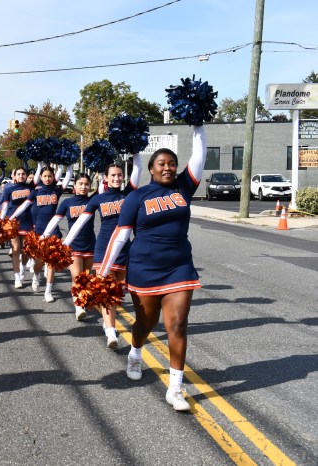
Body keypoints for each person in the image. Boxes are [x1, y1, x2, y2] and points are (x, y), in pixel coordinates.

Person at [100, 125, 207, 412]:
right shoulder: (137, 197)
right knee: (145, 323)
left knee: (177, 325)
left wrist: (198, 125)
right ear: (151, 168)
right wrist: (102, 273)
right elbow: (121, 235)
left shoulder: (184, 187)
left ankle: (175, 388)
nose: (168, 168)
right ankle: (135, 353)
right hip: (144, 269)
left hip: (179, 267)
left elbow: (199, 155)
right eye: (162, 164)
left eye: (172, 163)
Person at [62, 154, 142, 348]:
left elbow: (138, 170)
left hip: (126, 250)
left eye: (119, 175)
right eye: (113, 175)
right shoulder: (98, 198)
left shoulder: (129, 194)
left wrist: (136, 152)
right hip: (103, 249)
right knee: (106, 292)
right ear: (105, 178)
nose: (116, 178)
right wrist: (65, 243)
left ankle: (132, 325)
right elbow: (79, 223)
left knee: (127, 291)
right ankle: (110, 332)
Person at [10, 164, 73, 302]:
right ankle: (36, 275)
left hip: (54, 230)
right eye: (45, 176)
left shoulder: (57, 190)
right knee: (40, 261)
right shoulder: (35, 191)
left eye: (50, 176)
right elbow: (24, 206)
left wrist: (68, 165)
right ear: (41, 177)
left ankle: (48, 291)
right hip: (39, 229)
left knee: (51, 261)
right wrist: (9, 218)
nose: (48, 178)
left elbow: (68, 177)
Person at [43, 174, 95, 320]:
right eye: (80, 184)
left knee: (86, 277)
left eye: (86, 184)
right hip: (74, 246)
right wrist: (44, 236)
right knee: (77, 277)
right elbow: (55, 220)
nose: (83, 187)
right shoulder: (67, 203)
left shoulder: (93, 200)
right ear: (75, 186)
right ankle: (79, 307)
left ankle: (82, 299)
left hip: (90, 244)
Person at [0, 165, 39, 288]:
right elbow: (5, 206)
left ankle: (22, 267)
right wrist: (1, 221)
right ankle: (17, 277)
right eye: (19, 174)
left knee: (26, 250)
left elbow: (38, 174)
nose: (21, 176)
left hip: (27, 221)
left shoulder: (31, 187)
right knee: (16, 249)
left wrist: (40, 163)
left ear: (26, 175)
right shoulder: (8, 189)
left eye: (23, 174)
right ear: (14, 176)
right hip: (13, 221)